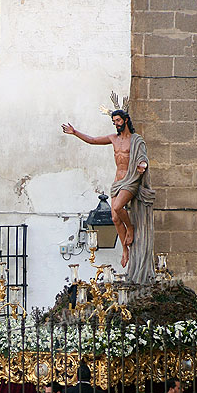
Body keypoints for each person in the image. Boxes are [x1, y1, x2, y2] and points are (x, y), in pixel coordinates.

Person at [62, 98, 155, 279]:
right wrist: (75, 132)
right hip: (117, 182)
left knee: (118, 208)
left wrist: (142, 164)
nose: (116, 125)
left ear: (125, 120)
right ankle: (125, 251)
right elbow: (92, 140)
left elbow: (142, 156)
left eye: (118, 121)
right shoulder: (113, 139)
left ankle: (131, 228)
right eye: (114, 122)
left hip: (130, 180)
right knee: (113, 217)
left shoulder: (136, 140)